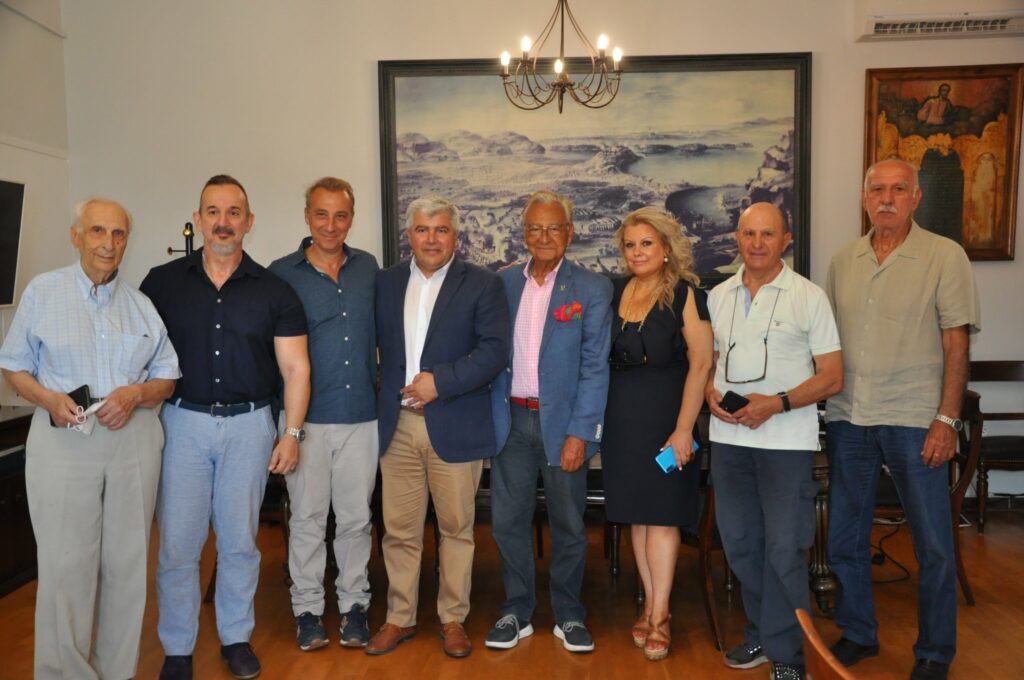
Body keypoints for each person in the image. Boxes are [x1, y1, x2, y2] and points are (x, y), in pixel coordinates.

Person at [0, 198, 179, 680]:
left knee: (126, 566)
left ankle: (115, 672)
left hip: (132, 438)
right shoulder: (44, 292)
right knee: (66, 567)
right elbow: (13, 366)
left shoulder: (141, 306)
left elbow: (167, 378)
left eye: (118, 234)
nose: (108, 243)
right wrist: (47, 398)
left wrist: (136, 393)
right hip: (64, 438)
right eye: (98, 231)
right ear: (76, 236)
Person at [141, 175, 311, 680]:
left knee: (239, 543)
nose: (223, 222)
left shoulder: (275, 291)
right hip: (182, 426)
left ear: (248, 222)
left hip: (249, 427)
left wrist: (291, 434)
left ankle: (236, 638)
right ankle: (177, 649)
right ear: (198, 219)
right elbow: (137, 356)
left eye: (234, 212)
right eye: (213, 212)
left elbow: (296, 368)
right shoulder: (161, 283)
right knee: (178, 546)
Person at [825, 159, 980, 680]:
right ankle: (858, 633)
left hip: (916, 417)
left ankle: (935, 652)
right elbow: (827, 344)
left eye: (898, 189)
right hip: (849, 416)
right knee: (844, 538)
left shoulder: (944, 255)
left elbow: (956, 342)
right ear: (864, 197)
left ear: (916, 197)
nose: (886, 198)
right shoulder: (843, 260)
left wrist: (947, 419)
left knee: (933, 543)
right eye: (877, 189)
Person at [705, 202, 843, 680]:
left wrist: (777, 403)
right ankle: (763, 635)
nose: (757, 243)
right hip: (729, 440)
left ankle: (787, 654)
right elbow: (709, 363)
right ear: (737, 239)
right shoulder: (718, 296)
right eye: (749, 234)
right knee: (741, 544)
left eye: (768, 234)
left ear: (786, 240)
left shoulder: (809, 297)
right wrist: (708, 392)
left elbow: (832, 376)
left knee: (784, 549)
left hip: (786, 443)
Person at [368, 196, 509, 659]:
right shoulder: (385, 282)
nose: (432, 239)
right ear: (409, 235)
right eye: (423, 230)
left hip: (456, 423)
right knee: (399, 530)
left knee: (456, 529)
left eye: (441, 230)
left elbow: (493, 352)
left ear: (456, 236)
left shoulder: (483, 284)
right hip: (398, 427)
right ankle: (400, 617)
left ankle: (452, 618)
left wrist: (439, 383)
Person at [486, 190, 612, 654]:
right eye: (535, 228)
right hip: (511, 421)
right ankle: (516, 611)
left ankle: (569, 613)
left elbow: (595, 368)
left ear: (569, 233)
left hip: (564, 425)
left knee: (569, 524)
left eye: (553, 228)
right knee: (507, 522)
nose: (544, 236)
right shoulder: (501, 283)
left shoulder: (592, 289)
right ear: (524, 234)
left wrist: (582, 433)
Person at [268, 177, 379, 651]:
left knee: (356, 519)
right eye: (321, 214)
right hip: (305, 421)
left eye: (340, 215)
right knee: (308, 520)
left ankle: (354, 607)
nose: (331, 225)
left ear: (351, 218)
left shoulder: (368, 268)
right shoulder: (280, 274)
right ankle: (308, 611)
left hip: (362, 417)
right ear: (307, 216)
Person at [601, 207, 713, 661]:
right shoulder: (614, 291)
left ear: (666, 248)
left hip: (669, 421)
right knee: (638, 516)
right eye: (630, 245)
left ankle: (661, 615)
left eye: (646, 243)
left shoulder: (685, 294)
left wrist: (684, 429)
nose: (637, 252)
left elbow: (702, 363)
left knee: (663, 517)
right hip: (621, 423)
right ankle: (648, 605)